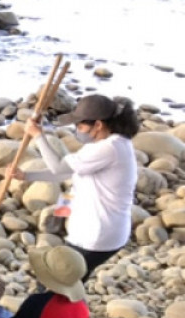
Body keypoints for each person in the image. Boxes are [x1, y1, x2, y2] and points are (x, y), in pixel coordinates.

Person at [23, 94, 140, 278]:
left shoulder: (107, 148)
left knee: (57, 281)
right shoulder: (110, 143)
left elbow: (58, 166)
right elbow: (67, 172)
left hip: (97, 234)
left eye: (80, 125)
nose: (77, 130)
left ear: (99, 125)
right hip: (105, 230)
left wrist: (38, 136)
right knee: (70, 283)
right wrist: (26, 175)